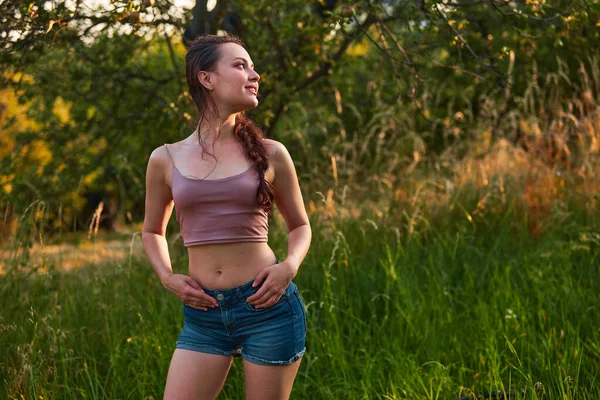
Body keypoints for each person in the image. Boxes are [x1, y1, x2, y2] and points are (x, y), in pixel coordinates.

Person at [141, 33, 312, 400]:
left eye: (252, 66)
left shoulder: (271, 153)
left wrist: (289, 267)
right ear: (207, 79)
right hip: (204, 317)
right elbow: (153, 230)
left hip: (267, 308)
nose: (255, 74)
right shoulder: (165, 159)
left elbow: (300, 225)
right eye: (240, 65)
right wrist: (167, 277)